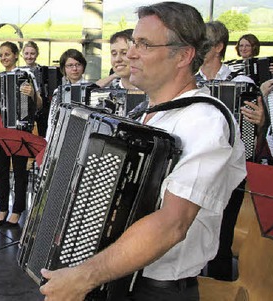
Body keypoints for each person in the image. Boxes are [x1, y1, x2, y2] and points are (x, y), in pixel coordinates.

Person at [40, 3, 246, 300]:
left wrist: (83, 277)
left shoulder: (205, 121)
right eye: (134, 42)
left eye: (144, 44)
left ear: (184, 55)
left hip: (156, 291)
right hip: (113, 276)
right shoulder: (144, 115)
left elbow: (172, 224)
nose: (131, 53)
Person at [196, 20, 256, 282]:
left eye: (203, 43)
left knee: (223, 236)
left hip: (230, 171)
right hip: (198, 167)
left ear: (219, 46)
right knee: (193, 234)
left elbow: (253, 127)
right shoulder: (189, 80)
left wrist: (260, 120)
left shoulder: (240, 81)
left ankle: (218, 287)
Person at [0, 41, 42, 227]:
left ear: (15, 55)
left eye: (7, 54)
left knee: (20, 171)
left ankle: (17, 209)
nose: (4, 58)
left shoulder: (27, 75)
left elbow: (39, 105)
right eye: (1, 55)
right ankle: (3, 208)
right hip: (1, 130)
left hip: (20, 129)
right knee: (2, 170)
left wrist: (31, 95)